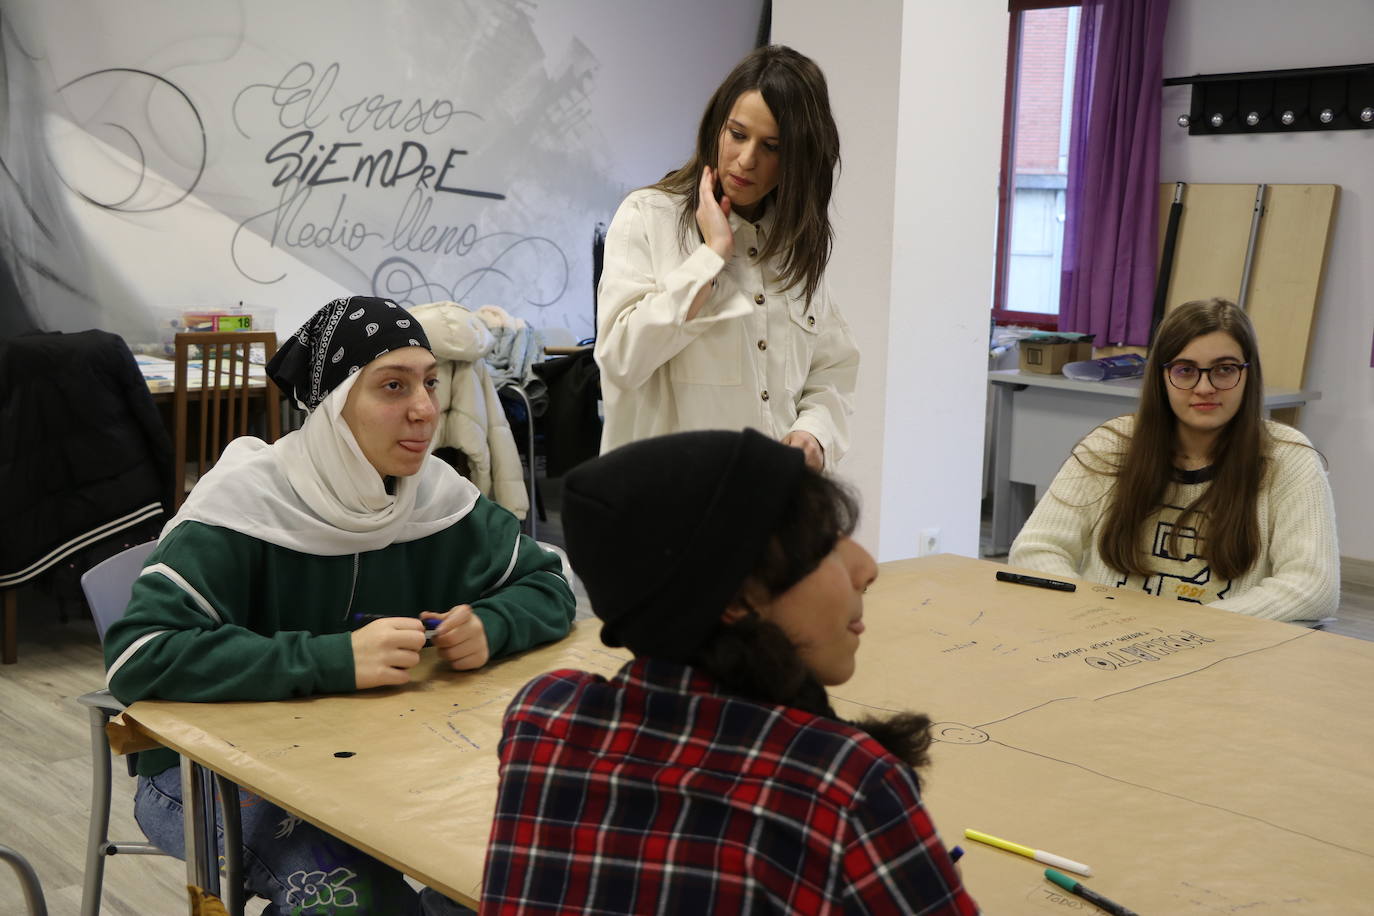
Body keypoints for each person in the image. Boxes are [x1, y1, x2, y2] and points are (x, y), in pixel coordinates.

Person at [103, 295, 576, 915]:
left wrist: (494, 622)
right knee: (355, 899)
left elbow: (550, 583)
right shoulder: (246, 505)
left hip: (372, 761)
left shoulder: (431, 495)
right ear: (332, 405)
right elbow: (139, 656)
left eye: (430, 383)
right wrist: (333, 660)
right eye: (393, 386)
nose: (425, 409)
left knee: (514, 866)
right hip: (206, 778)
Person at [480, 429, 978, 914]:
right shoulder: (847, 786)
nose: (867, 568)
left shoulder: (542, 719)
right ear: (738, 599)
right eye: (823, 545)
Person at [594, 45, 858, 472]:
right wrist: (710, 258)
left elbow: (832, 369)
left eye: (771, 147)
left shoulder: (793, 244)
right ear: (716, 128)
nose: (747, 160)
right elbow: (622, 360)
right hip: (666, 510)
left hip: (770, 508)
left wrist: (814, 432)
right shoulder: (648, 216)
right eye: (737, 134)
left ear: (798, 157)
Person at [1009, 297, 1339, 622]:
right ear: (1161, 376)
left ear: (1248, 375)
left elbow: (1312, 587)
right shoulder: (1111, 444)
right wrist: (1091, 615)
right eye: (1185, 370)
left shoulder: (1288, 458)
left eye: (1225, 370)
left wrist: (1186, 629)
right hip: (1101, 642)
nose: (1205, 387)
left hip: (1220, 654)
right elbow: (1036, 550)